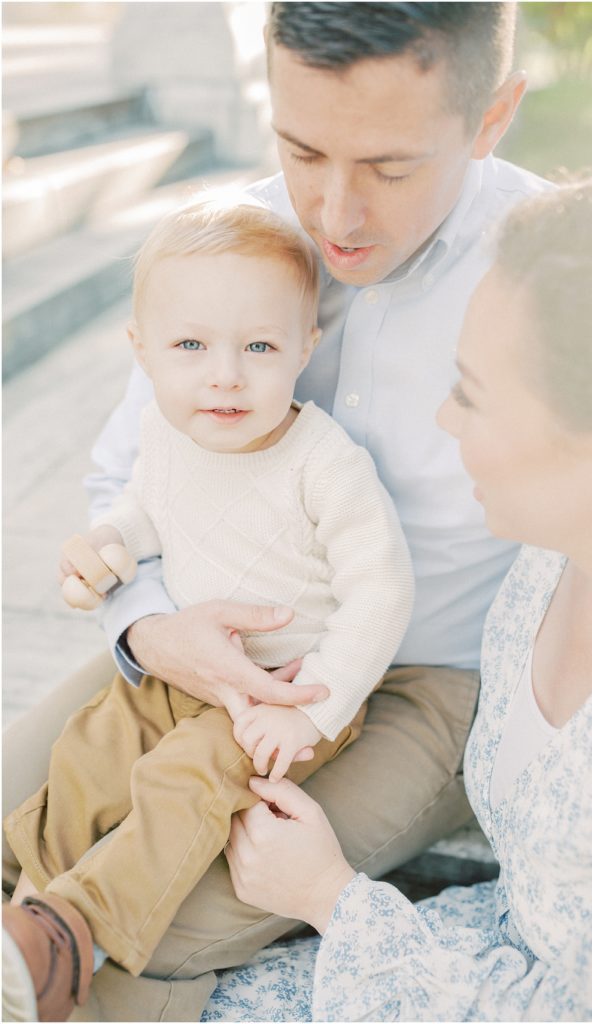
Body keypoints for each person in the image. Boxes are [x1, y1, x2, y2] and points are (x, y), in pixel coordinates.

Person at [3, 4, 548, 1020]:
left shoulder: (547, 276)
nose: (334, 213)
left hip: (424, 682)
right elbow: (128, 473)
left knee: (157, 921)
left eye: (389, 167)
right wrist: (152, 626)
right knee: (16, 807)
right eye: (303, 151)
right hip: (202, 630)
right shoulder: (231, 243)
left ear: (492, 118)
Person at [214, 163, 592, 1022]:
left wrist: (332, 899)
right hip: (467, 951)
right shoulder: (545, 560)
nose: (444, 421)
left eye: (471, 393)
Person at [3, 200, 414, 1021]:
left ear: (307, 347)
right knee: (87, 754)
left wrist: (319, 707)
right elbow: (140, 510)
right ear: (143, 352)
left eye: (259, 347)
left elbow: (382, 587)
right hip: (182, 669)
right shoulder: (166, 429)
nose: (224, 374)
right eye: (190, 346)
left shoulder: (322, 462)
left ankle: (75, 936)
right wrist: (108, 544)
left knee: (182, 783)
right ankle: (34, 916)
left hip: (278, 698)